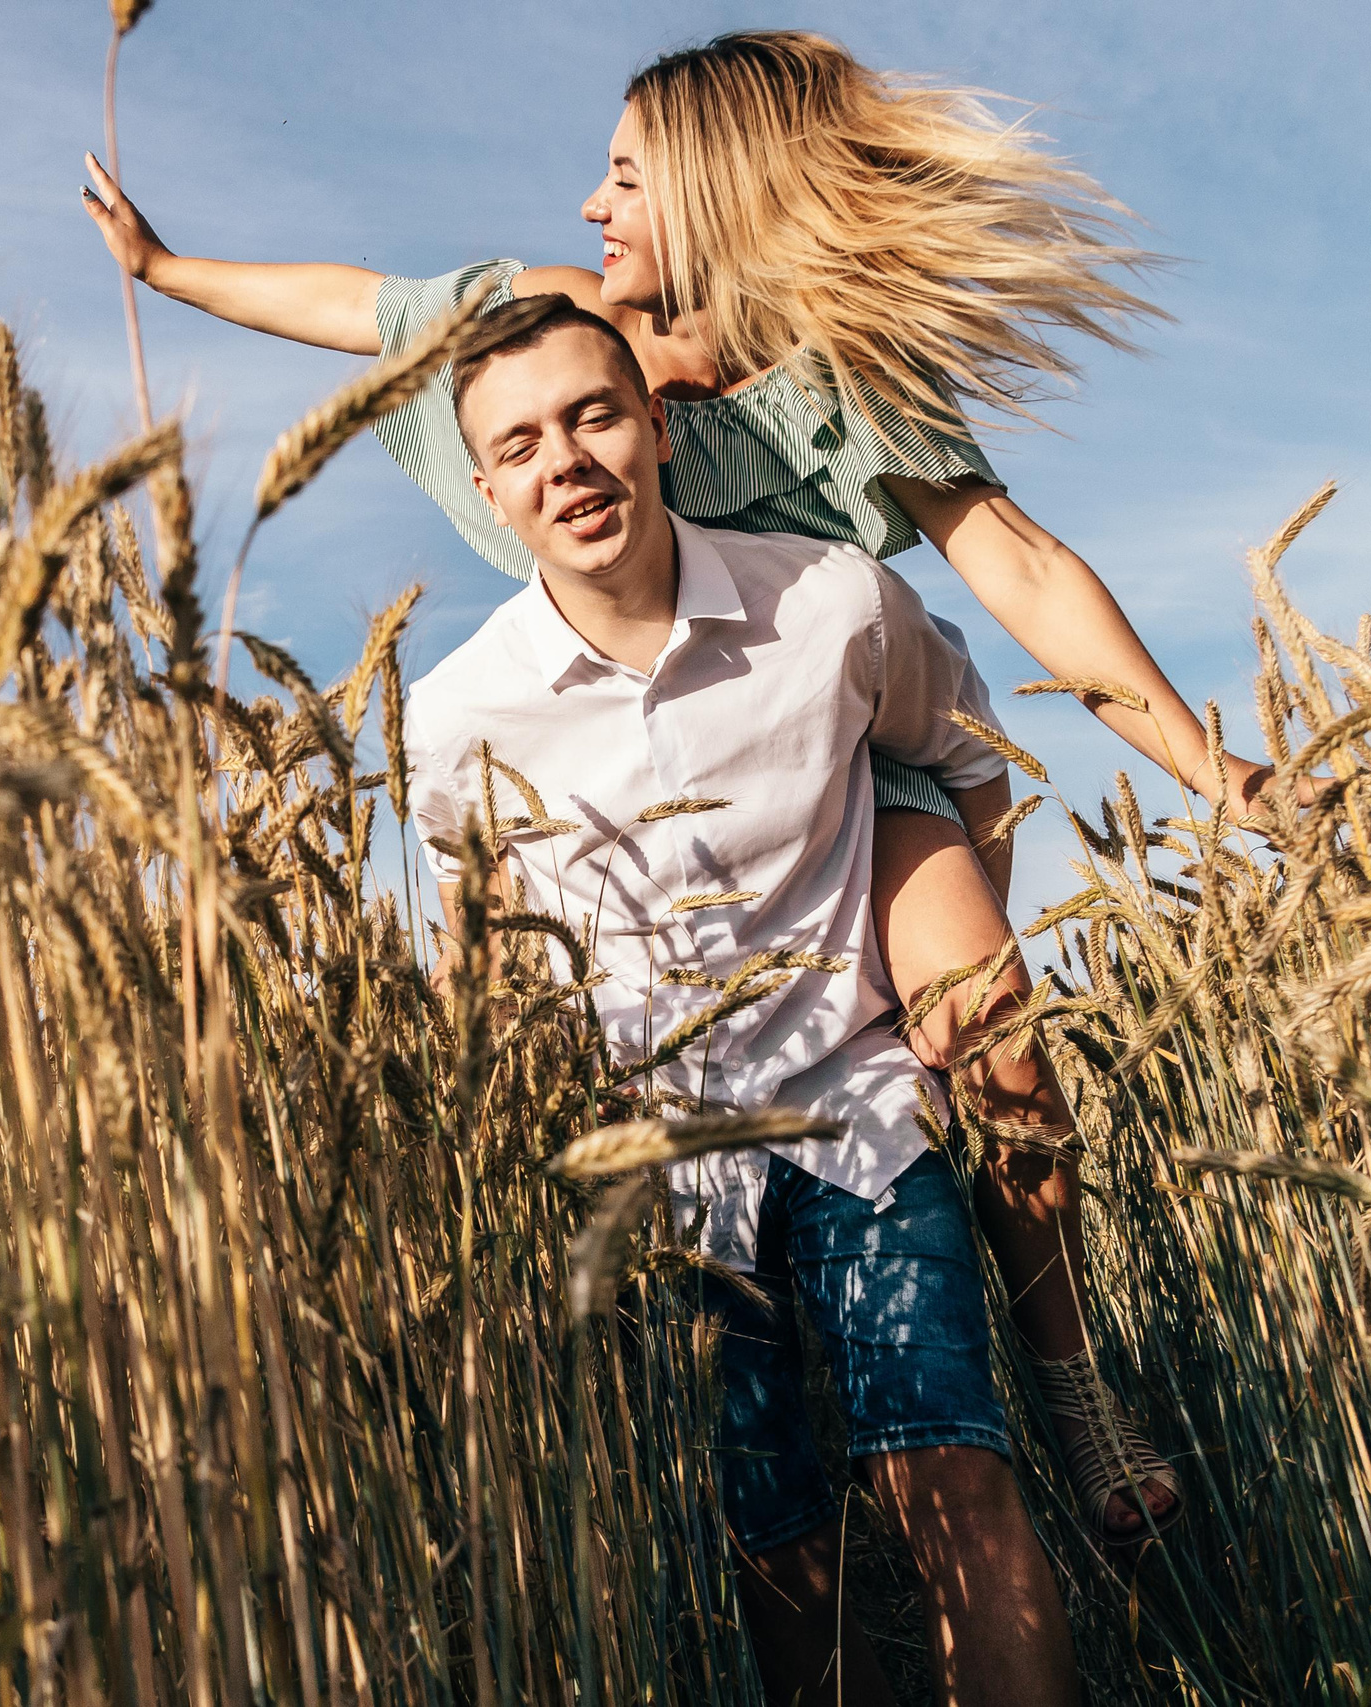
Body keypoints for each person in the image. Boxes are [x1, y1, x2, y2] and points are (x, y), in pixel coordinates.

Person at [82, 28, 1200, 1541]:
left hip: (842, 764)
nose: (592, 206)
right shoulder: (545, 335)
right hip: (612, 772)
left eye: (625, 178)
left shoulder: (846, 384)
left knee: (986, 1035)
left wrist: (1212, 760)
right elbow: (365, 307)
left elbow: (1022, 567)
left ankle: (1067, 1381)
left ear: (716, 195)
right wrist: (165, 272)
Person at [409, 292, 1080, 1707]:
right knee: (780, 1555)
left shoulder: (826, 602)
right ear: (487, 491)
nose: (568, 461)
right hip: (664, 1187)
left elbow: (965, 754)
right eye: (522, 444)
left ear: (657, 427)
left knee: (951, 1483)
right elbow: (489, 968)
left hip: (861, 1121)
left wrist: (940, 944)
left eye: (594, 416)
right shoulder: (461, 715)